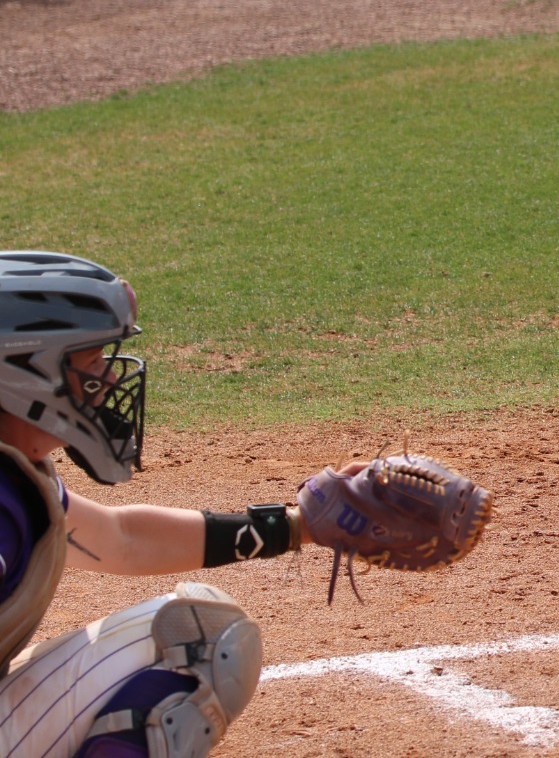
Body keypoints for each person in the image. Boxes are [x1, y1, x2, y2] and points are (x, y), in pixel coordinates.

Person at [0, 252, 363, 757]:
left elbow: (120, 540)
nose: (107, 379)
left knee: (195, 627)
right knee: (203, 647)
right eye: (89, 362)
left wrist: (299, 527)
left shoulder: (13, 472)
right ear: (24, 374)